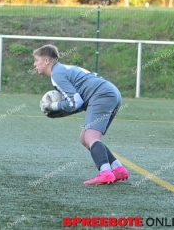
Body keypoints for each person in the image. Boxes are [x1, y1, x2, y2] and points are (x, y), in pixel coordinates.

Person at [34, 44, 129, 185]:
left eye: (37, 60)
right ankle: (118, 169)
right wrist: (61, 110)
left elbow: (75, 102)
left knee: (91, 137)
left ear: (46, 61)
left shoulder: (57, 74)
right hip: (110, 93)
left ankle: (105, 173)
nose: (34, 64)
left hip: (102, 95)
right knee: (85, 138)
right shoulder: (61, 70)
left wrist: (52, 106)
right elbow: (80, 101)